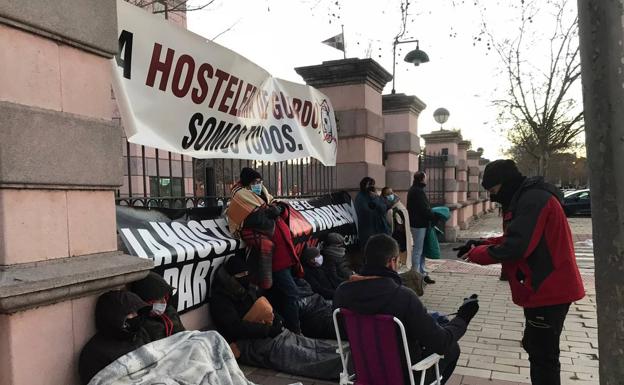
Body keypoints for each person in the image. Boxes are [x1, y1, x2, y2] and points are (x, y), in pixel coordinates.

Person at [456, 159, 585, 385]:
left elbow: (517, 246)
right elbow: (518, 236)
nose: (493, 197)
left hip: (548, 289)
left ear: (505, 183)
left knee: (543, 356)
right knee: (536, 347)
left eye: (494, 191)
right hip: (543, 288)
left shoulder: (532, 200)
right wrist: (480, 242)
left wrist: (478, 254)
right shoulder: (528, 197)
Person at [333, 234, 479, 385]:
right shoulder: (403, 297)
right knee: (452, 348)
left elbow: (344, 332)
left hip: (364, 371)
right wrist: (463, 317)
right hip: (406, 377)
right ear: (392, 262)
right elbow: (441, 342)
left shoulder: (342, 292)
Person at [210, 255, 344, 381]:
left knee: (307, 343)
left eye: (246, 274)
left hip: (266, 332)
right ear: (231, 277)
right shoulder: (220, 300)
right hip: (247, 343)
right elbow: (235, 328)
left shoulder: (245, 289)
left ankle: (347, 356)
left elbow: (264, 304)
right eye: (241, 275)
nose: (245, 277)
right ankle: (344, 367)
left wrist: (278, 320)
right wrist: (268, 330)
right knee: (300, 355)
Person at [226, 167, 304, 334]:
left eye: (260, 182)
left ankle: (284, 329)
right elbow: (253, 222)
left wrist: (278, 210)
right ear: (247, 184)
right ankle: (295, 331)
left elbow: (279, 211)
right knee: (291, 294)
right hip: (272, 259)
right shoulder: (241, 199)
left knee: (278, 295)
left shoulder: (264, 197)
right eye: (254, 182)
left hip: (284, 255)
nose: (258, 185)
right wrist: (269, 213)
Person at [79, 290, 153, 385]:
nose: (135, 316)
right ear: (114, 317)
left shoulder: (139, 334)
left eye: (136, 312)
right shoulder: (95, 352)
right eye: (130, 313)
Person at [129, 271, 185, 341]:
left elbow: (184, 334)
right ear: (147, 302)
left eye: (165, 297)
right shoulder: (140, 326)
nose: (164, 302)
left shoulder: (170, 311)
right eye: (159, 299)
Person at [406, 171, 436, 284]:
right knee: (418, 250)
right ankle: (416, 276)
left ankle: (422, 273)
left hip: (418, 223)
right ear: (422, 179)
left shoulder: (415, 189)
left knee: (421, 250)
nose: (427, 180)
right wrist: (433, 215)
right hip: (419, 224)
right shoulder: (417, 191)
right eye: (425, 178)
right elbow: (423, 208)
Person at [354, 177, 391, 253]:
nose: (371, 187)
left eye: (372, 185)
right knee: (368, 251)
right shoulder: (360, 197)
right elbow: (365, 211)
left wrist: (375, 198)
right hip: (367, 230)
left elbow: (383, 208)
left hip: (379, 229)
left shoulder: (376, 196)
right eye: (369, 185)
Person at [381, 186, 413, 269]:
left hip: (401, 235)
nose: (390, 195)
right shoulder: (383, 206)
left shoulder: (399, 204)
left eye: (391, 193)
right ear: (383, 196)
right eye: (387, 194)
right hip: (391, 235)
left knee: (401, 256)